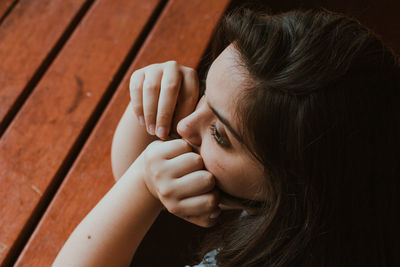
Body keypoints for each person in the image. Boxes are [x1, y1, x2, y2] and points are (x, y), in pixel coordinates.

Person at [53, 7, 400, 267]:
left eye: (219, 133)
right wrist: (149, 110)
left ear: (293, 185)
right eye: (205, 91)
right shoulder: (352, 205)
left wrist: (142, 183)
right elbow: (127, 178)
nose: (187, 124)